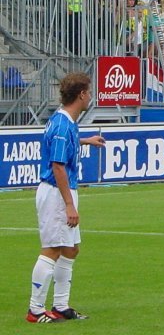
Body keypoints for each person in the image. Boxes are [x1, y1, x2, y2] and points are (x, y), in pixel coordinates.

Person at [27, 73, 106, 323]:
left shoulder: (66, 121)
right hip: (56, 192)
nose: (90, 96)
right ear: (81, 94)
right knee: (52, 249)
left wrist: (86, 140)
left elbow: (62, 144)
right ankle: (35, 310)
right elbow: (58, 166)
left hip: (63, 190)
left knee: (71, 249)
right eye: (89, 92)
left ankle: (60, 305)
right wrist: (69, 204)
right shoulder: (62, 125)